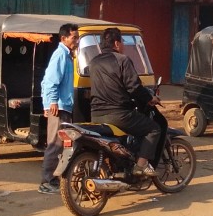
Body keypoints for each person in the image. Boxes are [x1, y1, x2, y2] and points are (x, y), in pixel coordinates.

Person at [89, 28, 161, 176]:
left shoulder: (93, 62)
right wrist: (150, 98)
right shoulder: (122, 60)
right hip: (118, 114)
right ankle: (141, 165)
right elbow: (134, 87)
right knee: (153, 129)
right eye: (122, 43)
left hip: (95, 114)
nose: (123, 46)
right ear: (116, 43)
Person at [37, 23, 79, 194]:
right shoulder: (60, 54)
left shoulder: (68, 55)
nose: (77, 41)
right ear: (64, 38)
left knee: (63, 145)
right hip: (59, 107)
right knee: (55, 144)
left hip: (63, 106)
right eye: (74, 37)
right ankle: (46, 182)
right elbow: (49, 81)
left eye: (77, 37)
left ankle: (55, 179)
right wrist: (51, 102)